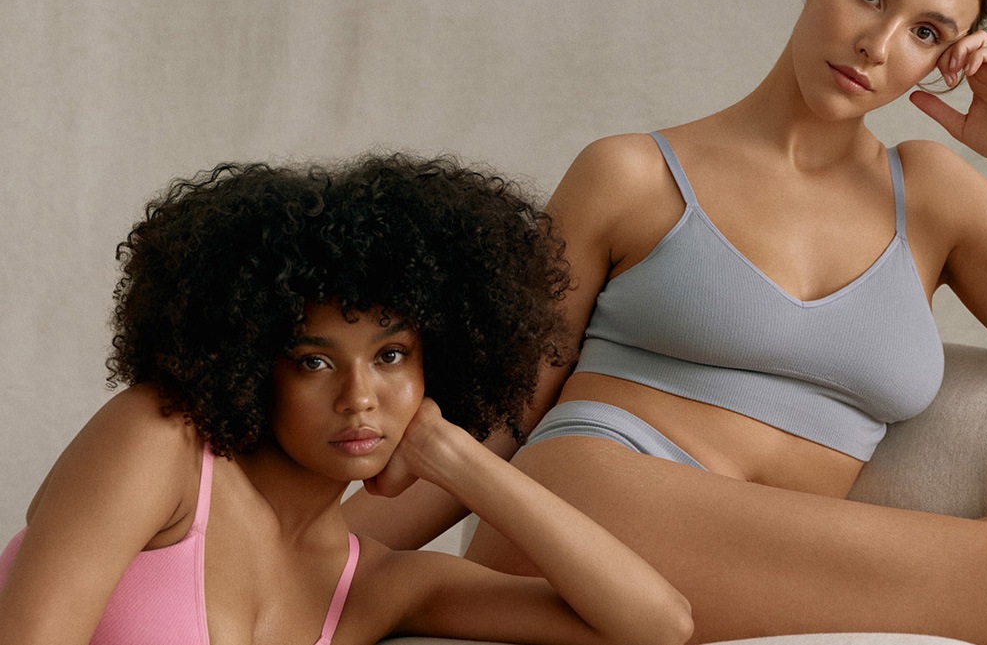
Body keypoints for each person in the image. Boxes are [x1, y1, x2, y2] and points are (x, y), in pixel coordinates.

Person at [343, 0, 987, 642]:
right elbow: (505, 409)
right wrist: (319, 554)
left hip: (753, 569)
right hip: (589, 508)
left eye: (926, 32)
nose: (878, 45)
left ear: (948, 60)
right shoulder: (629, 175)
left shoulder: (933, 196)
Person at [0, 154, 694, 645]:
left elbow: (657, 624)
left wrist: (455, 454)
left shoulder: (372, 587)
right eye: (314, 361)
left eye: (390, 356)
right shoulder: (160, 444)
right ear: (251, 362)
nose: (359, 398)